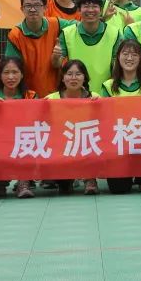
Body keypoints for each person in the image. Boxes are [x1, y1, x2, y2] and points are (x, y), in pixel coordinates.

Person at [101, 39, 141, 194]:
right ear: (118, 57)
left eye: (134, 54)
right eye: (125, 54)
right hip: (118, 145)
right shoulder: (108, 86)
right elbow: (104, 119)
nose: (129, 58)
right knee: (118, 189)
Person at [0, 57, 38, 199]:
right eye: (6, 72)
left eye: (15, 72)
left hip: (22, 140)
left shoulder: (30, 96)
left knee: (29, 140)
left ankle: (24, 182)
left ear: (22, 74)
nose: (11, 77)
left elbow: (37, 121)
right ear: (0, 75)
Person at [44, 60, 98, 195]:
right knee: (64, 188)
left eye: (78, 74)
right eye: (69, 74)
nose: (73, 78)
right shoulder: (50, 99)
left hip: (87, 145)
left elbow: (106, 123)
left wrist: (99, 106)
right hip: (61, 148)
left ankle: (90, 178)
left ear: (85, 77)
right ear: (63, 78)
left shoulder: (95, 98)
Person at [53, 0, 122, 96]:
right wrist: (55, 56)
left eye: (94, 6)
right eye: (86, 6)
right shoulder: (67, 33)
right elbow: (56, 64)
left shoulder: (115, 33)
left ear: (101, 10)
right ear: (79, 10)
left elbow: (118, 66)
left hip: (106, 95)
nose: (90, 10)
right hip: (77, 96)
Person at [6, 0, 70, 97]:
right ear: (22, 9)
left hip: (56, 94)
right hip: (28, 96)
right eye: (28, 6)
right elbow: (12, 67)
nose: (32, 9)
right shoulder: (15, 34)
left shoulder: (57, 24)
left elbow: (80, 26)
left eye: (37, 5)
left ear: (45, 8)